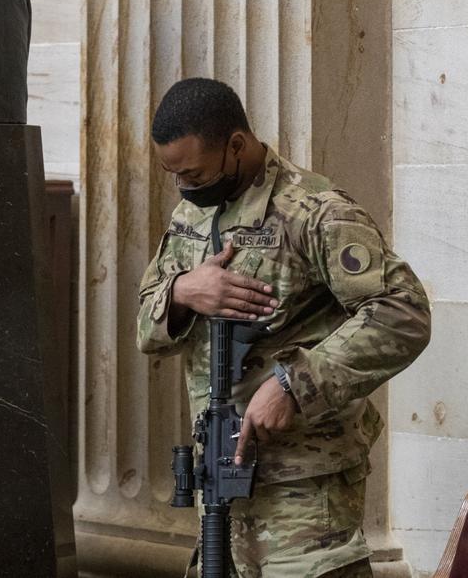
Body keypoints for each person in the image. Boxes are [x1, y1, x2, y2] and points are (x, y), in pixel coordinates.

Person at [137, 78, 431, 578]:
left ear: (235, 145)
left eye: (194, 172)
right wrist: (185, 291)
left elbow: (403, 311)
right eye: (175, 176)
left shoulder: (315, 211)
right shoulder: (192, 212)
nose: (184, 188)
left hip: (304, 492)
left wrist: (294, 384)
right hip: (224, 481)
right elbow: (146, 330)